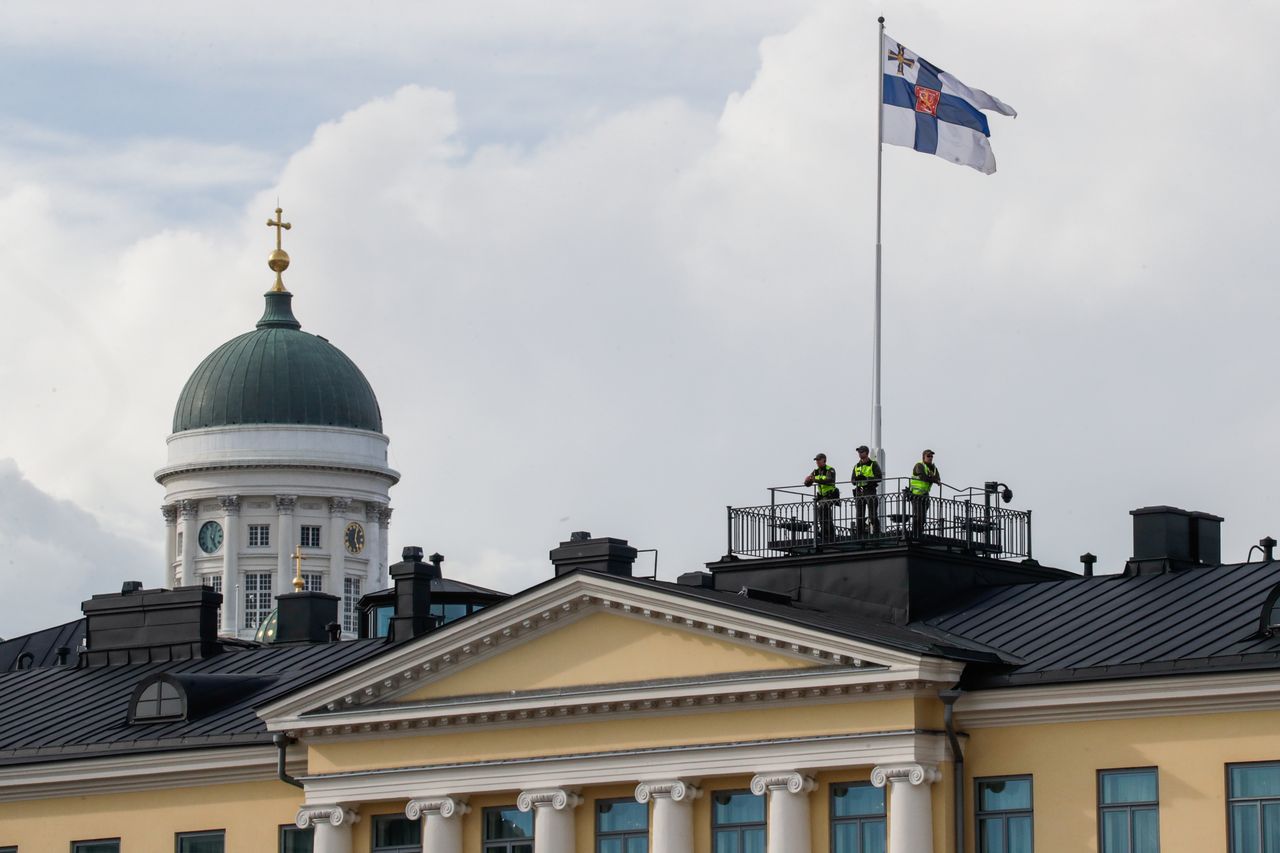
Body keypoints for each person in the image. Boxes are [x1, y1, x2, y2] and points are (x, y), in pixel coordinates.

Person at [804, 452, 840, 544]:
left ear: (824, 460)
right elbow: (808, 483)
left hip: (830, 495)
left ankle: (827, 533)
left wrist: (815, 479)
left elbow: (829, 480)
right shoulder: (816, 471)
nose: (817, 462)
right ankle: (827, 533)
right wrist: (807, 481)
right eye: (816, 460)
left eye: (819, 460)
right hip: (822, 497)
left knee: (823, 510)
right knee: (823, 514)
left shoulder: (830, 470)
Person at [851, 445, 882, 537]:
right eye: (859, 452)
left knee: (872, 514)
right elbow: (852, 480)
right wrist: (856, 479)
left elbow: (879, 477)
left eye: (861, 452)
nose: (859, 454)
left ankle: (876, 532)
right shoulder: (856, 466)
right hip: (859, 492)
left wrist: (866, 478)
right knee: (859, 515)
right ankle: (860, 534)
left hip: (870, 490)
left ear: (866, 453)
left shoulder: (873, 464)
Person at [909, 449, 940, 538]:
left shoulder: (933, 468)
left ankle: (920, 532)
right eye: (928, 456)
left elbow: (938, 479)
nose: (930, 458)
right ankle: (915, 533)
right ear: (924, 457)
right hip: (916, 494)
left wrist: (933, 478)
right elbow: (923, 477)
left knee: (923, 517)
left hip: (925, 495)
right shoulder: (919, 465)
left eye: (931, 456)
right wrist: (933, 479)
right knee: (918, 515)